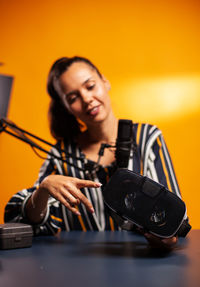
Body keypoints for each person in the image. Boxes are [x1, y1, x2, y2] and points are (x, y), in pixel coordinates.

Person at [4, 56, 191, 249]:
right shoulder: (61, 154)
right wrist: (43, 189)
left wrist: (164, 237)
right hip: (80, 266)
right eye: (73, 98)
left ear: (105, 81)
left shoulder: (147, 137)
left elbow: (174, 217)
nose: (86, 99)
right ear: (66, 107)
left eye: (90, 86)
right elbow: (28, 222)